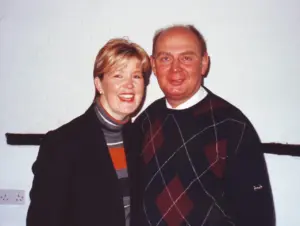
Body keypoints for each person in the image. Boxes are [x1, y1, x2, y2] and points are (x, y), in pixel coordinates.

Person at [131, 25, 275, 226]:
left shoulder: (232, 126)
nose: (175, 69)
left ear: (204, 63)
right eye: (165, 58)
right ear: (153, 66)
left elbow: (258, 215)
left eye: (186, 58)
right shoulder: (144, 122)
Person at [26, 38, 151, 226]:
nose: (129, 85)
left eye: (136, 76)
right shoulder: (62, 143)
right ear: (99, 84)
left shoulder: (141, 137)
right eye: (118, 76)